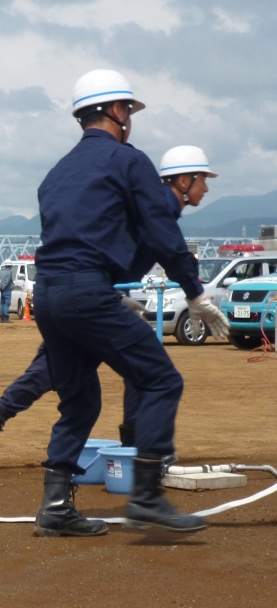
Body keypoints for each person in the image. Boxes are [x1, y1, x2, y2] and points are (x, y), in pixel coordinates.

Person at [29, 69, 228, 537]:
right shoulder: (129, 161)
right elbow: (161, 231)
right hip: (85, 291)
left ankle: (56, 505)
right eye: (130, 111)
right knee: (160, 380)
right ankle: (146, 496)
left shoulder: (57, 171)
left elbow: (82, 233)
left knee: (80, 399)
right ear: (118, 111)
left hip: (48, 294)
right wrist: (195, 293)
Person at [0, 146, 218, 473]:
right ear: (183, 180)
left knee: (53, 370)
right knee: (142, 369)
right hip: (89, 297)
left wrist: (115, 292)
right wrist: (196, 295)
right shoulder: (159, 206)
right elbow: (166, 248)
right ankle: (141, 451)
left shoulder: (153, 204)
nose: (205, 188)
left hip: (88, 293)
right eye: (202, 179)